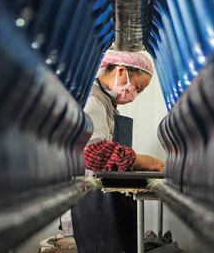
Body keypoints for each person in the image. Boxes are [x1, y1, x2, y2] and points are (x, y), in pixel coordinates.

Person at [70, 49, 165, 253]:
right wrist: (143, 161)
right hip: (94, 199)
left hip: (101, 195)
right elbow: (93, 152)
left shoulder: (106, 102)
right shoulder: (92, 99)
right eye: (137, 88)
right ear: (121, 71)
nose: (134, 96)